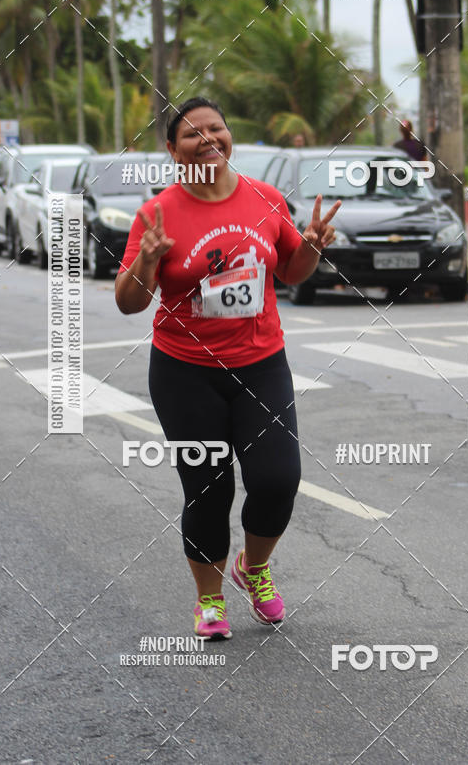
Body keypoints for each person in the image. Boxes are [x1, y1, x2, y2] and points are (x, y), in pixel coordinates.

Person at [115, 97, 341, 640]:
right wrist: (147, 259)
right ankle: (209, 600)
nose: (208, 138)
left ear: (229, 135)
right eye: (193, 133)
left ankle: (255, 567)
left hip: (261, 364)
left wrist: (309, 246)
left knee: (278, 478)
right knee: (208, 490)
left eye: (216, 128)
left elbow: (290, 273)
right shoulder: (157, 213)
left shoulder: (265, 199)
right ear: (173, 150)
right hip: (184, 371)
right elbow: (128, 301)